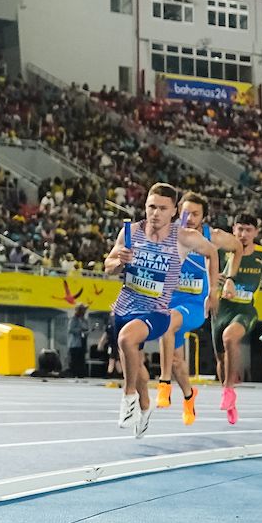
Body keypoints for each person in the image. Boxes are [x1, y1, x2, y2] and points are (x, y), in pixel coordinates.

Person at [102, 182, 232, 437]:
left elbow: (212, 253)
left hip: (160, 309)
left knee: (127, 340)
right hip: (127, 306)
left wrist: (213, 290)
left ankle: (129, 397)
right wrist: (120, 262)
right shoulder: (130, 232)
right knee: (136, 366)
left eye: (162, 208)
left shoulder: (185, 237)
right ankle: (144, 404)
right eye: (151, 207)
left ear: (174, 211)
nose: (155, 213)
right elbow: (108, 266)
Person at [214, 213, 262, 424]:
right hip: (220, 310)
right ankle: (229, 399)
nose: (243, 234)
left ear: (256, 232)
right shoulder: (222, 251)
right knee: (221, 359)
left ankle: (229, 389)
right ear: (233, 229)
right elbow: (205, 266)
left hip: (246, 310)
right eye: (240, 229)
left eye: (248, 230)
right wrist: (213, 277)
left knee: (229, 337)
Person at [161, 194, 214, 424]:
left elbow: (238, 248)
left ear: (204, 217)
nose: (189, 218)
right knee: (175, 361)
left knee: (168, 321)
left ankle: (163, 384)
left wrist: (226, 280)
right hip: (171, 302)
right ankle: (189, 396)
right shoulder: (168, 233)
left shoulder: (213, 236)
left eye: (195, 214)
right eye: (186, 213)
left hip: (194, 305)